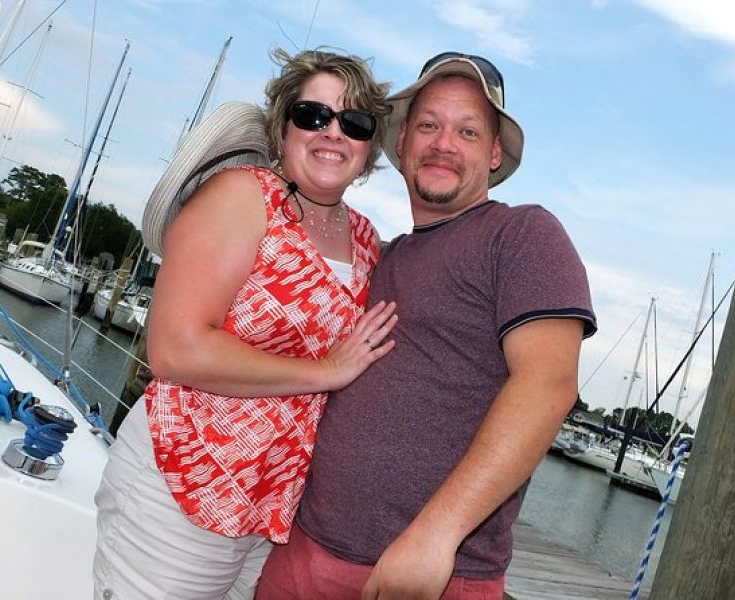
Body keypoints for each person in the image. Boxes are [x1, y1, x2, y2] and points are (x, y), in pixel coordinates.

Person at [256, 52, 598, 599]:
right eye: (430, 125)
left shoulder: (522, 235)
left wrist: (435, 537)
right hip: (304, 552)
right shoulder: (382, 256)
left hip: (429, 574)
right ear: (404, 142)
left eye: (467, 131)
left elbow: (547, 384)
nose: (443, 143)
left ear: (492, 154)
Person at [92, 48, 395, 599]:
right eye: (312, 116)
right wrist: (325, 371)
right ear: (283, 126)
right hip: (184, 482)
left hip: (271, 509)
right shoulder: (243, 196)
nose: (332, 133)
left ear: (370, 145)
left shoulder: (368, 241)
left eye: (353, 123)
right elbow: (175, 351)